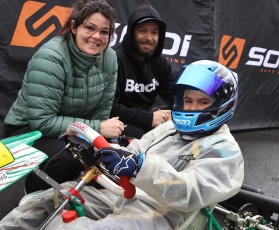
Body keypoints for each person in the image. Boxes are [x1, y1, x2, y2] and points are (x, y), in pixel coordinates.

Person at [0, 60, 244, 229]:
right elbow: (134, 152)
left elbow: (190, 192)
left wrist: (140, 167)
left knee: (67, 225)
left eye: (202, 102)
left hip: (160, 214)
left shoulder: (225, 150)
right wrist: (100, 152)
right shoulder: (170, 128)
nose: (190, 108)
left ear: (221, 105)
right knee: (44, 201)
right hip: (122, 196)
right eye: (187, 100)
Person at [2, 0, 123, 194]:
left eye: (104, 32)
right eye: (90, 28)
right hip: (28, 131)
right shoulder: (51, 57)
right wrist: (98, 129)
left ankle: (71, 196)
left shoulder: (110, 58)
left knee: (103, 153)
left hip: (73, 129)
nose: (96, 37)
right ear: (74, 26)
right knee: (72, 156)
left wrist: (97, 137)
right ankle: (34, 192)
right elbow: (42, 121)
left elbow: (103, 109)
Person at [110, 3, 176, 139]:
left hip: (149, 118)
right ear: (132, 32)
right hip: (119, 122)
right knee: (140, 135)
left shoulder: (160, 62)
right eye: (142, 31)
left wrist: (172, 113)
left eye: (154, 32)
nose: (149, 38)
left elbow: (175, 94)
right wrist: (149, 118)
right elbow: (111, 108)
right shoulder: (116, 59)